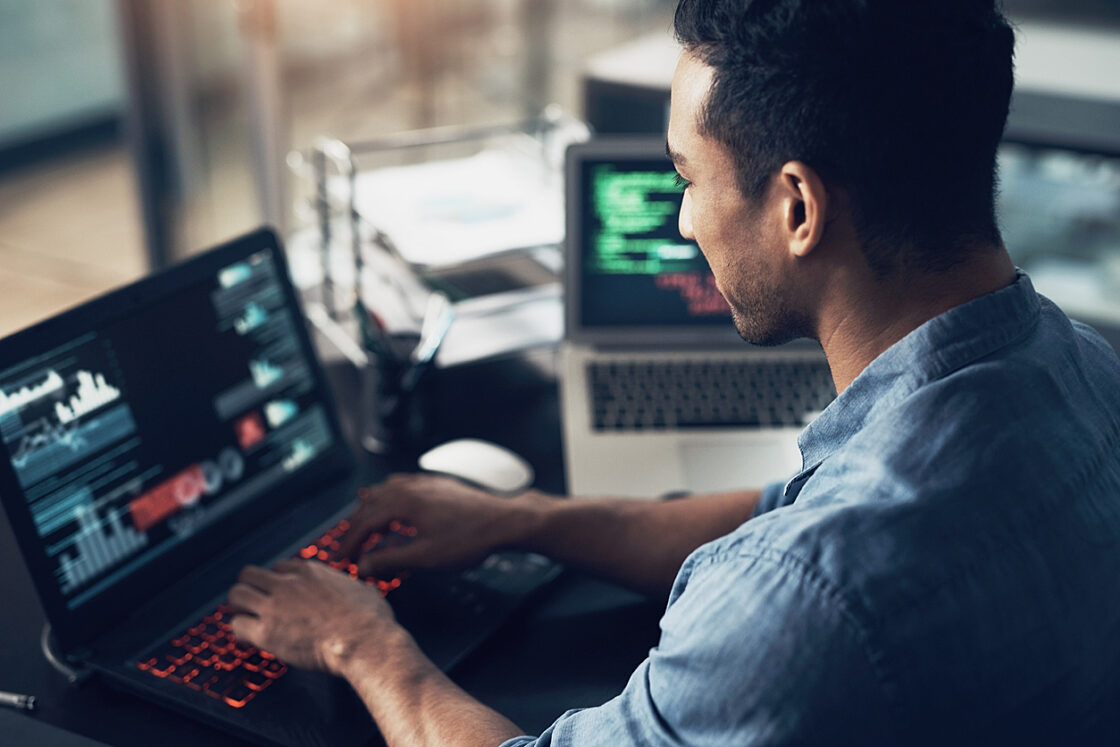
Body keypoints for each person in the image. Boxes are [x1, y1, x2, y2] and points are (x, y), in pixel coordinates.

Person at [228, 0, 1120, 743]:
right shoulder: (1083, 372)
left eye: (688, 178)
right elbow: (793, 510)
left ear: (798, 207)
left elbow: (810, 567)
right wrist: (523, 519)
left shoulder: (796, 603)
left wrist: (363, 644)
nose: (684, 221)